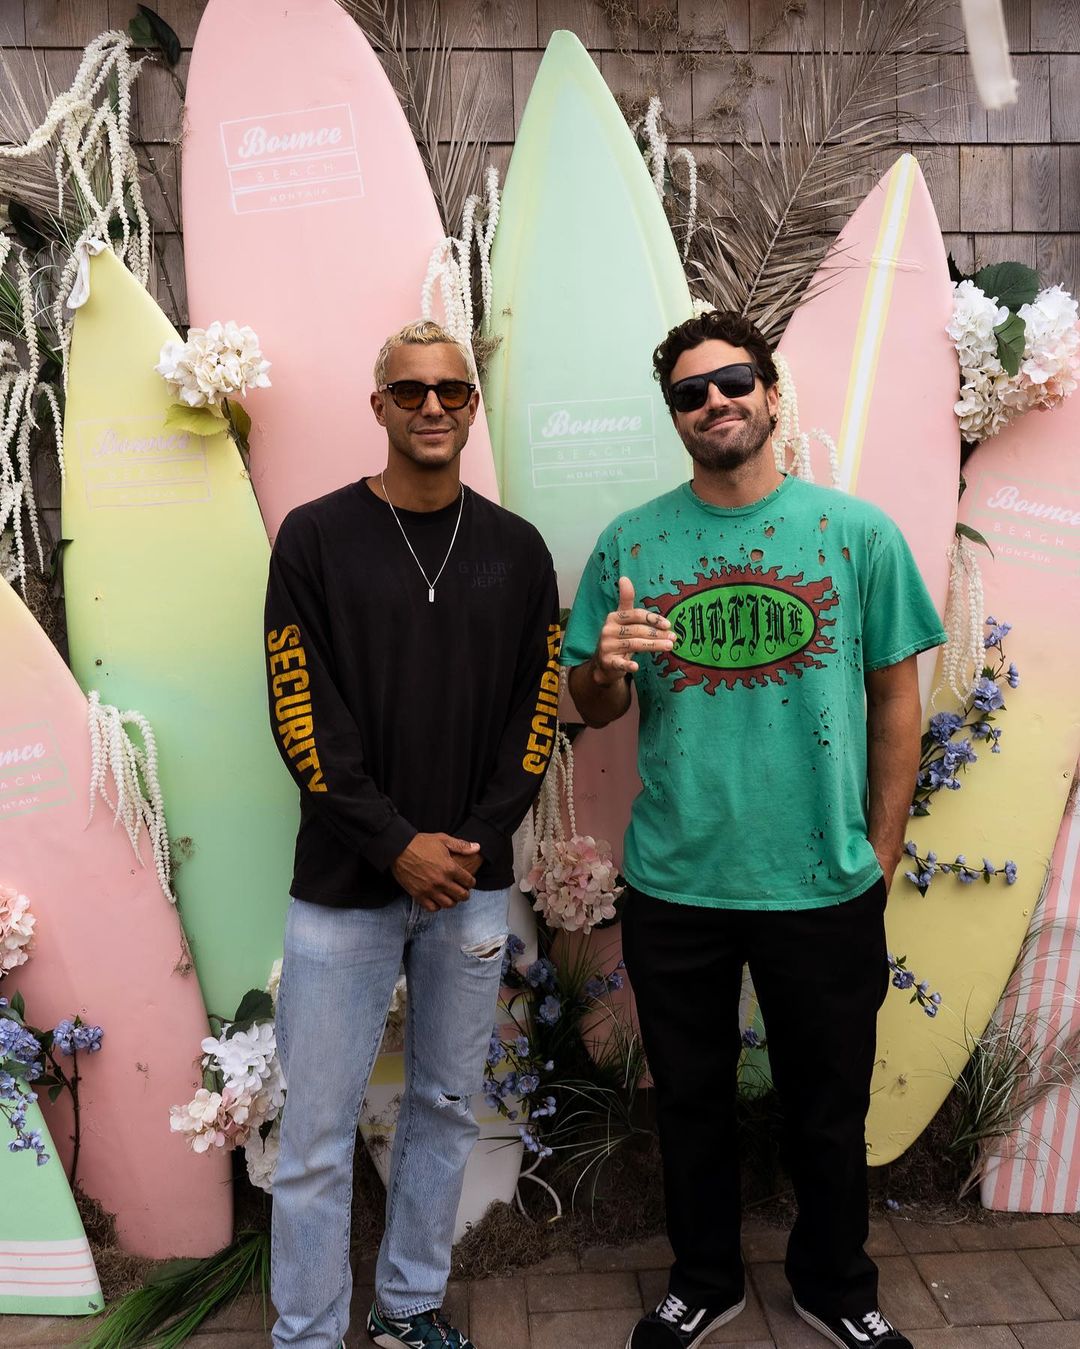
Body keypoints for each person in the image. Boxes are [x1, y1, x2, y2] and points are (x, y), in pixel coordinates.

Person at [561, 310, 946, 1349]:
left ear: (771, 393)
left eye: (733, 381)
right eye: (690, 392)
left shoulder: (857, 534)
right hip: (677, 879)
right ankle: (702, 1279)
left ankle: (837, 1285)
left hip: (822, 879)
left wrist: (882, 849)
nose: (715, 402)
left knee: (829, 1100)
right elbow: (587, 703)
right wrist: (606, 667)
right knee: (689, 1099)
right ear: (675, 415)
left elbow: (896, 700)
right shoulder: (632, 543)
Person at [264, 319, 560, 1349]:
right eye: (410, 389)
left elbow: (536, 712)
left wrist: (468, 840)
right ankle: (306, 1333)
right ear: (379, 404)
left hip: (470, 883)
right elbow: (301, 710)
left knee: (443, 1104)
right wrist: (395, 842)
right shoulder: (314, 538)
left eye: (452, 390)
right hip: (342, 886)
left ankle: (406, 1308)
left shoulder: (517, 551)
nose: (433, 405)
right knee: (315, 1131)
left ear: (473, 407)